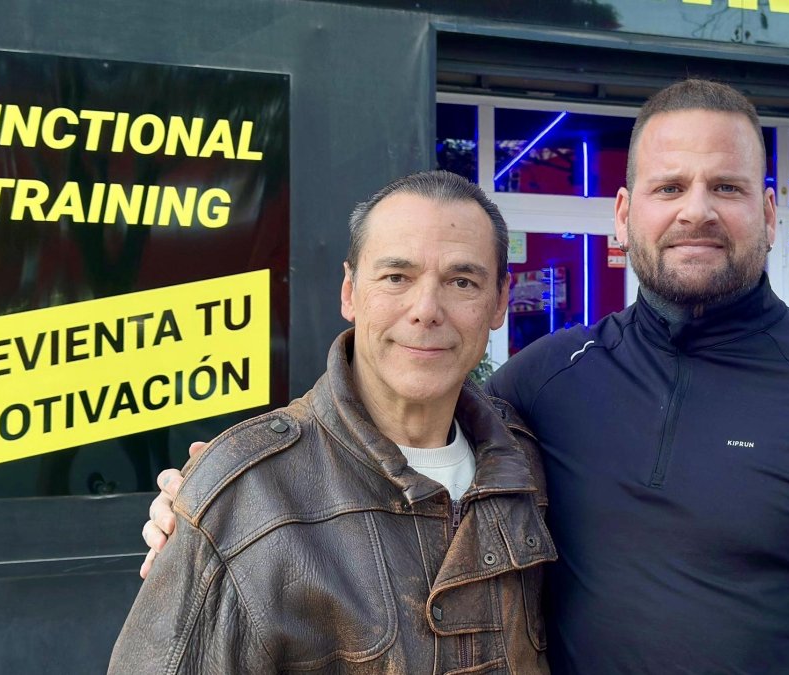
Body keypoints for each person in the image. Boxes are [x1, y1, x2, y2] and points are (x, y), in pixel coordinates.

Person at [143, 80, 789, 673]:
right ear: (624, 216)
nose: (696, 208)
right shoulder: (542, 385)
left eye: (728, 187)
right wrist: (215, 503)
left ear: (771, 212)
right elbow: (395, 452)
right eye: (668, 185)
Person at [112, 171, 555, 674]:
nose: (426, 310)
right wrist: (207, 500)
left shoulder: (527, 461)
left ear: (499, 302)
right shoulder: (243, 494)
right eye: (396, 277)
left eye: (461, 281)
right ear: (350, 291)